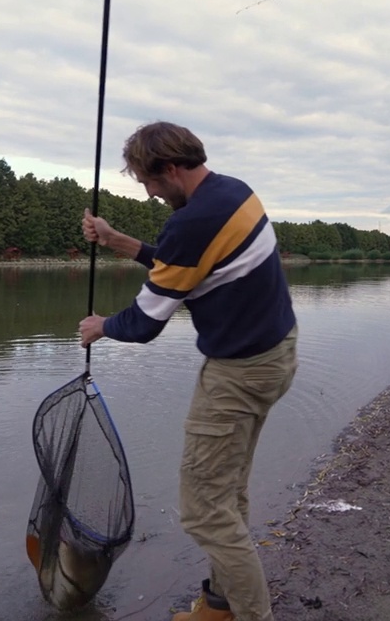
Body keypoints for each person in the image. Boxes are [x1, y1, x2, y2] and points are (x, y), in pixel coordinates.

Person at [79, 121, 298, 621]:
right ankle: (220, 607)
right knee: (227, 492)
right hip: (275, 355)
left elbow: (146, 322)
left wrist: (101, 326)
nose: (151, 193)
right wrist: (121, 242)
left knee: (203, 510)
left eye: (150, 182)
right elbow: (187, 266)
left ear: (172, 170)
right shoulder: (234, 194)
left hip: (239, 373)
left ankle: (251, 616)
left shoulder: (191, 222)